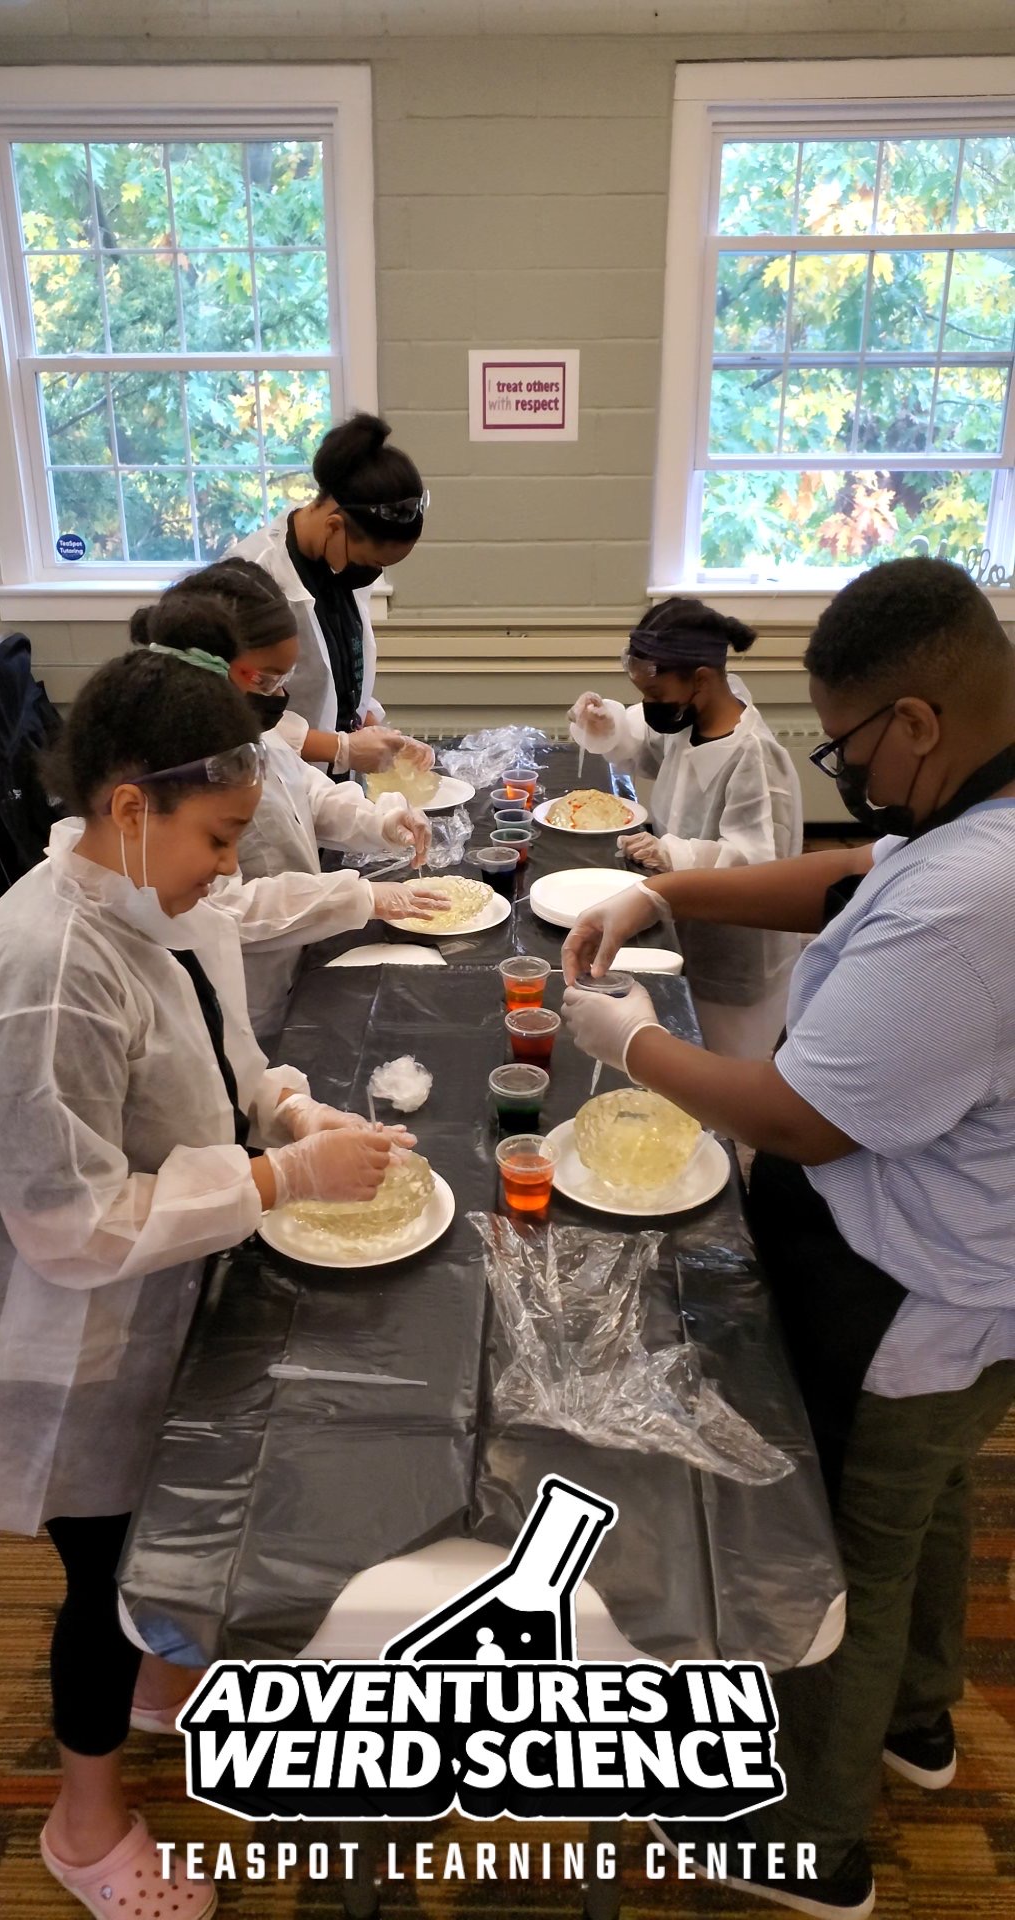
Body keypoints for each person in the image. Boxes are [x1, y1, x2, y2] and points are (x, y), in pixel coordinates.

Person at [560, 557, 1015, 1920]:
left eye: (851, 743)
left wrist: (628, 1040)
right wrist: (666, 899)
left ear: (918, 723)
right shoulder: (973, 819)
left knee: (842, 1552)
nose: (846, 771)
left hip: (914, 1283)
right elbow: (847, 877)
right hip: (956, 1278)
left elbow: (806, 1118)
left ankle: (807, 1846)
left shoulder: (980, 895)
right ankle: (918, 1726)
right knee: (922, 1502)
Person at [0, 648, 412, 1919]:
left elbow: (220, 1050)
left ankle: (160, 1678)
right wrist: (275, 1184)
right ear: (132, 804)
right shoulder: (42, 971)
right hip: (68, 1330)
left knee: (159, 1527)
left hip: (157, 1279)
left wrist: (290, 1108)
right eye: (220, 834)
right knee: (100, 1572)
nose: (234, 867)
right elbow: (68, 1225)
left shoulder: (155, 896)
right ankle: (83, 1827)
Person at [131, 562, 449, 1050]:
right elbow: (221, 907)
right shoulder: (178, 771)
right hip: (242, 991)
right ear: (209, 669)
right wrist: (358, 898)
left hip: (293, 958)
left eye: (285, 680)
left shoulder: (251, 729)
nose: (279, 697)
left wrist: (381, 820)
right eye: (265, 682)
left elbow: (305, 792)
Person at [568, 597, 803, 1057]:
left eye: (656, 696)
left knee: (723, 1073)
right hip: (686, 920)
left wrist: (672, 854)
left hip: (737, 958)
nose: (650, 706)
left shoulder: (754, 757)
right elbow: (646, 747)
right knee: (685, 1043)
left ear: (701, 679)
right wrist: (606, 723)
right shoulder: (687, 719)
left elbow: (758, 866)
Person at [229, 411, 435, 776]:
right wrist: (340, 749)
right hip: (274, 779)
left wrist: (372, 728)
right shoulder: (252, 579)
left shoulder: (339, 564)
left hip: (333, 780)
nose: (372, 572)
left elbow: (339, 673)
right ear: (334, 526)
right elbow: (238, 712)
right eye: (370, 560)